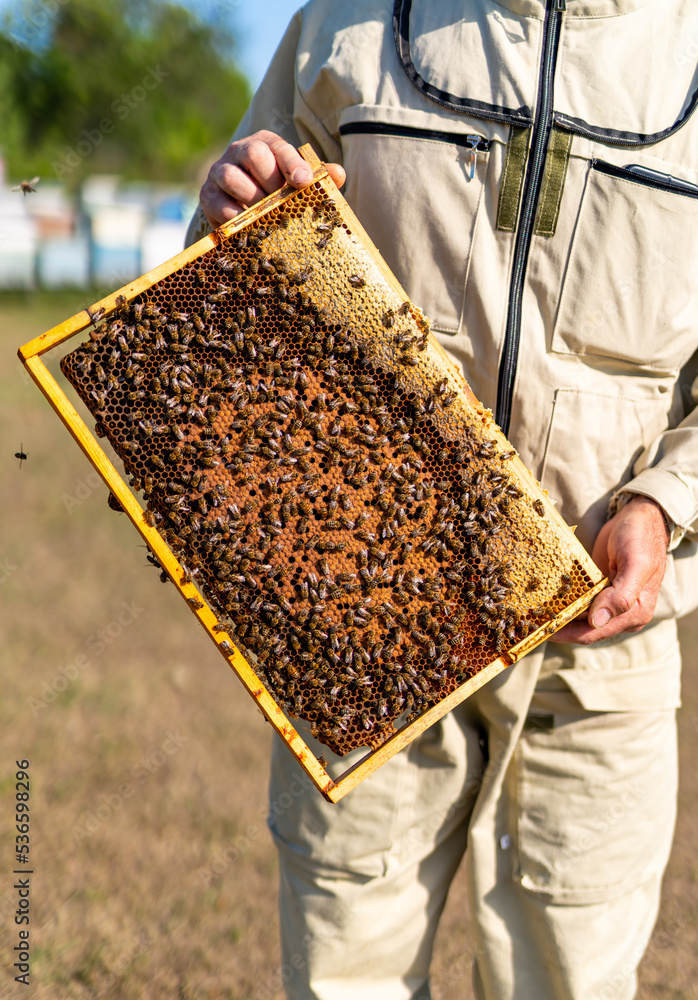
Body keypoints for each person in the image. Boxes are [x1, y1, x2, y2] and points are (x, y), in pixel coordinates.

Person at [187, 2, 698, 997]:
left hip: (592, 654)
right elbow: (229, 278)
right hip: (364, 612)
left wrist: (661, 501)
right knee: (348, 975)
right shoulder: (346, 22)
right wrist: (225, 207)